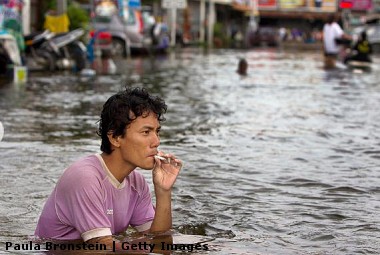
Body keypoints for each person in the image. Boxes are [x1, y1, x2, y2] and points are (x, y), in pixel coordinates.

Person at [34, 87, 182, 250]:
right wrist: (147, 247)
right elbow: (102, 249)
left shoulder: (137, 183)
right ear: (115, 138)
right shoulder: (84, 177)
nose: (156, 141)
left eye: (157, 132)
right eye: (146, 132)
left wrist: (163, 191)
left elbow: (160, 243)